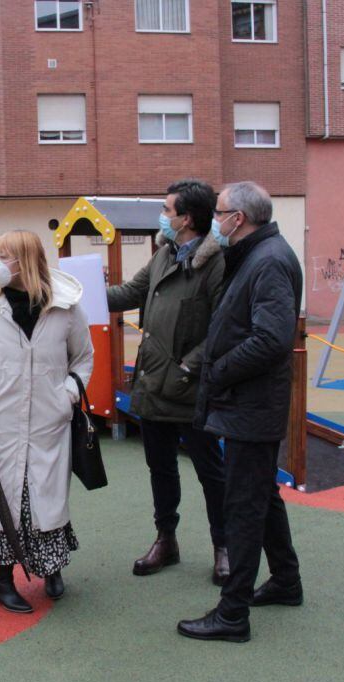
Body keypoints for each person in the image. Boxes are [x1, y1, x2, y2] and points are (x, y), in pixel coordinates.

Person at [178, 181, 303, 643]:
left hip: (251, 404)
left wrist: (219, 371)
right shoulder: (255, 253)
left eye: (219, 211)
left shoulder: (267, 261)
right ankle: (286, 581)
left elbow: (271, 339)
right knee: (261, 496)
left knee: (244, 505)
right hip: (250, 403)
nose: (215, 218)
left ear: (239, 219)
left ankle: (232, 614)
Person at [0, 230, 94, 613]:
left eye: (5, 256)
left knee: (44, 499)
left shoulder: (65, 308)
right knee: (3, 499)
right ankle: (0, 581)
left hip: (48, 420)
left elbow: (83, 358)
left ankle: (51, 568)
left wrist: (66, 394)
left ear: (26, 261)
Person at [106, 179, 228, 584]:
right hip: (153, 384)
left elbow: (223, 330)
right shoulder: (163, 254)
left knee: (211, 472)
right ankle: (166, 539)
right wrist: (69, 286)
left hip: (192, 388)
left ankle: (223, 546)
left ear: (187, 218)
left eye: (167, 209)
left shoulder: (216, 263)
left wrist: (188, 369)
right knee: (160, 468)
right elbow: (126, 293)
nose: (162, 214)